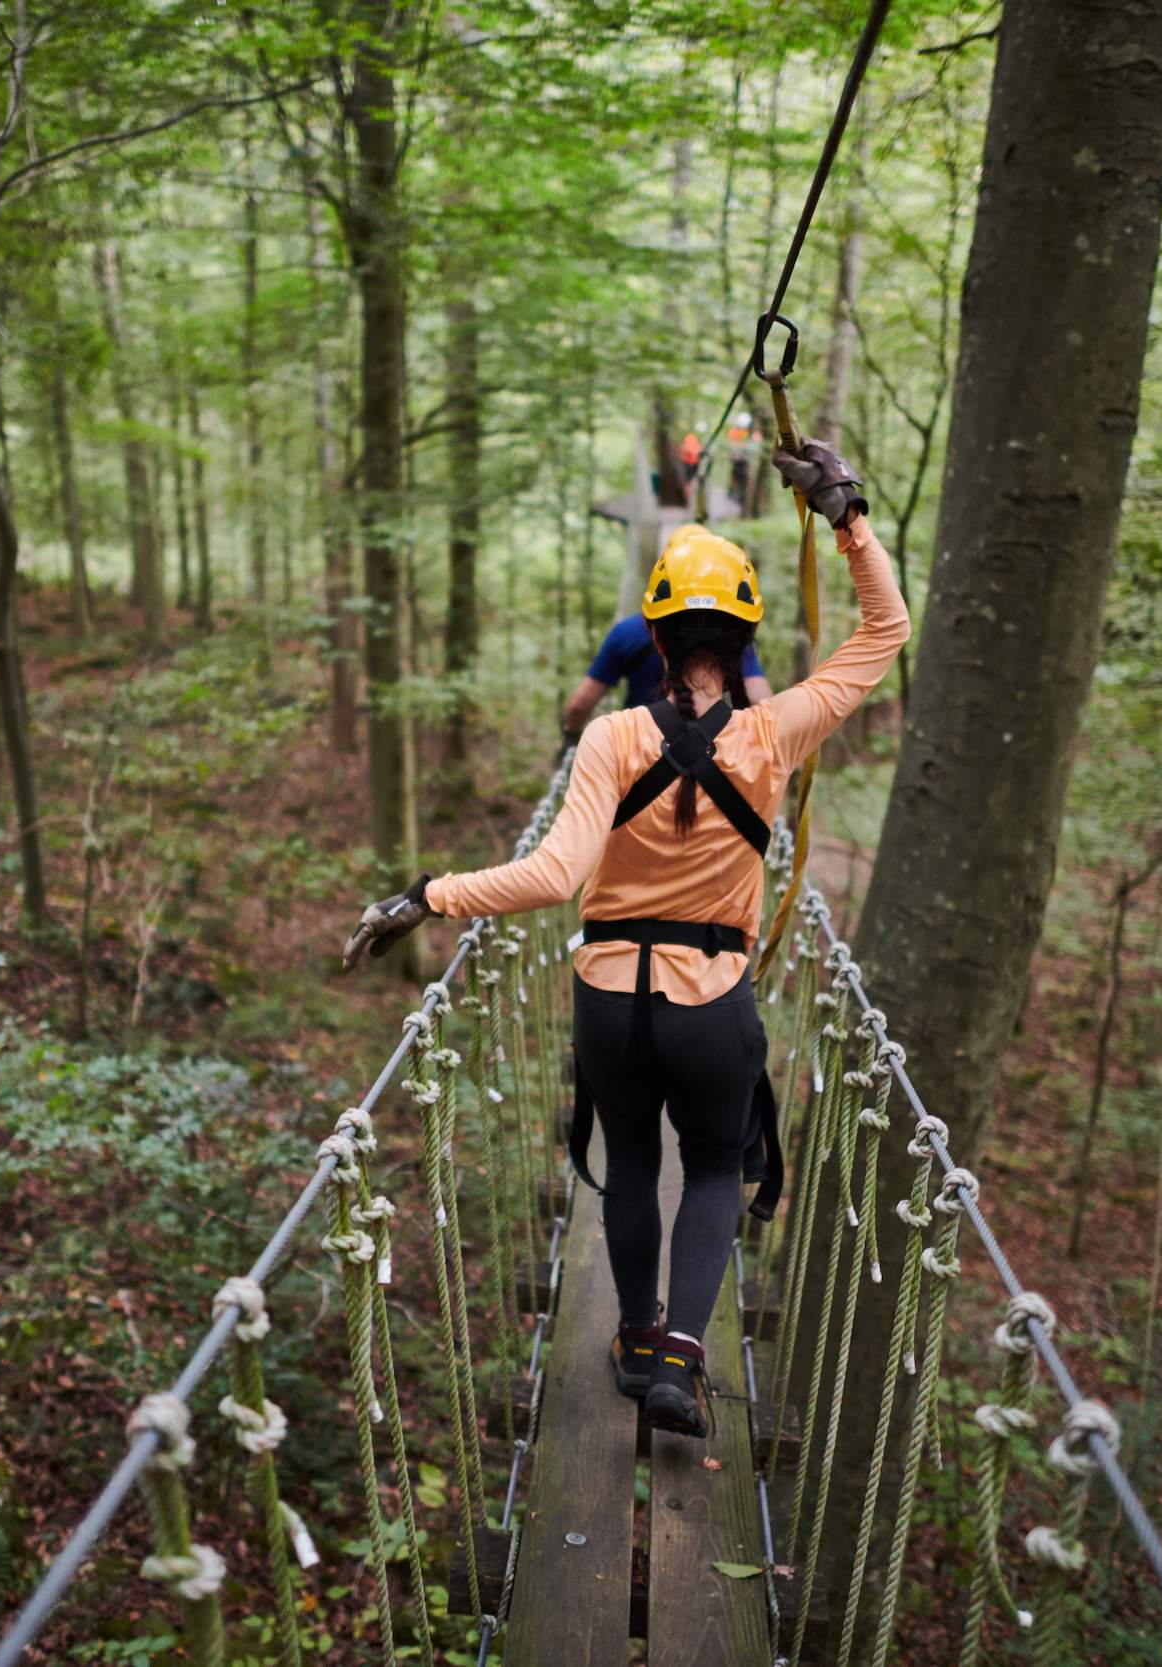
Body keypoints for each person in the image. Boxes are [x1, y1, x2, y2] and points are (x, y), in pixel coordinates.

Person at [340, 438, 909, 1439]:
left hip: (607, 997)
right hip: (709, 998)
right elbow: (884, 630)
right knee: (717, 1164)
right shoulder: (775, 729)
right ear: (742, 637)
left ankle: (635, 1334)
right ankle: (680, 1365)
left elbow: (555, 876)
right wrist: (845, 513)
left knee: (634, 1160)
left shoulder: (609, 738)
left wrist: (428, 893)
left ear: (652, 625)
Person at [562, 603, 775, 745]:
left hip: (635, 749)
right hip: (712, 750)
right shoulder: (730, 635)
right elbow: (760, 699)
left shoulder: (627, 631)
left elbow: (579, 705)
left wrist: (572, 734)